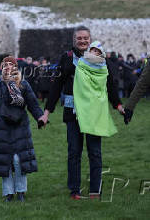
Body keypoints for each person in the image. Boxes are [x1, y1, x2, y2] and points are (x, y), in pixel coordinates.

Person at [39, 26, 122, 200]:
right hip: (72, 112)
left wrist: (118, 105)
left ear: (90, 39)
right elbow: (56, 86)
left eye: (86, 38)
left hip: (92, 113)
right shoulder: (67, 58)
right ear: (74, 40)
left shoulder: (98, 57)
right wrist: (47, 112)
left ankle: (94, 190)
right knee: (74, 152)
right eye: (79, 38)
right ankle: (74, 190)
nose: (83, 41)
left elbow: (109, 83)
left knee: (95, 152)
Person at [0, 56, 44, 202]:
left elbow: (33, 104)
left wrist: (40, 117)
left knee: (18, 160)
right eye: (5, 65)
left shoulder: (23, 85)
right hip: (2, 129)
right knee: (6, 161)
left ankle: (21, 191)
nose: (8, 67)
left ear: (15, 67)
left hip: (20, 128)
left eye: (11, 64)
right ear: (1, 68)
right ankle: (8, 193)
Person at [73, 41, 123, 137]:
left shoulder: (104, 67)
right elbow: (81, 82)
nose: (95, 53)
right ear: (89, 50)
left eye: (98, 51)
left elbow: (109, 85)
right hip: (86, 101)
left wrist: (118, 105)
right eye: (93, 50)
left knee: (94, 145)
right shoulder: (81, 64)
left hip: (98, 104)